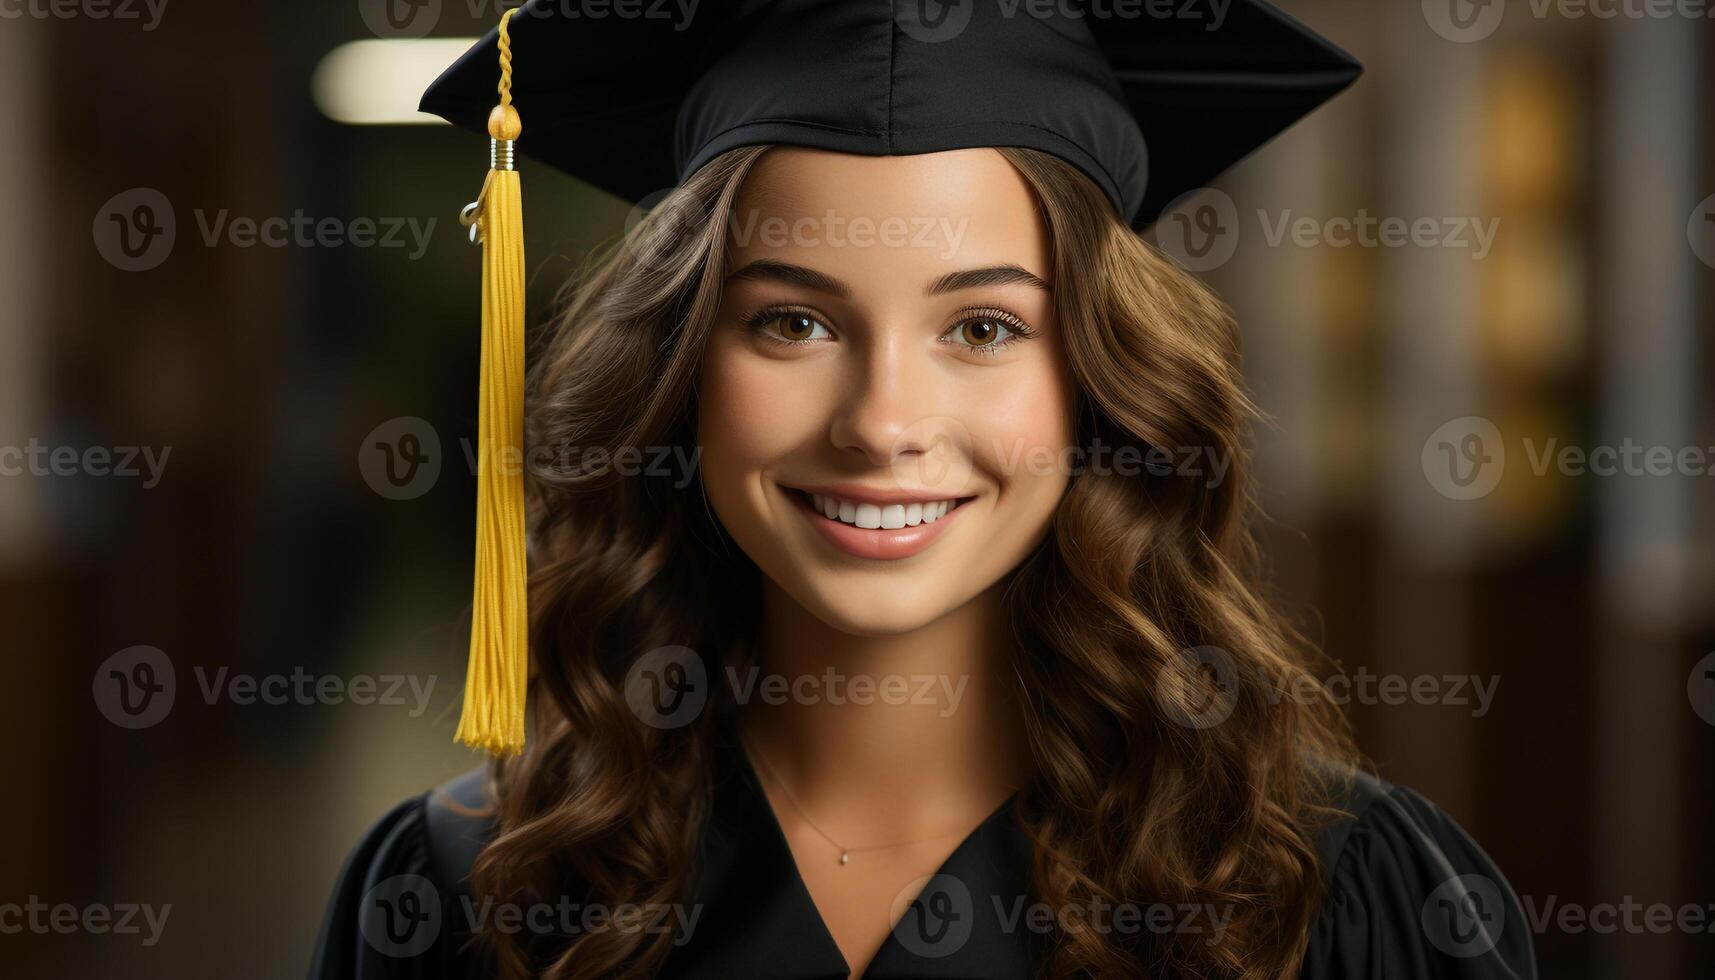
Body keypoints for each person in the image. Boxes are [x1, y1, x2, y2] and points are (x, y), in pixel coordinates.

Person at [312, 3, 1537, 978]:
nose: (883, 421)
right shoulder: (467, 895)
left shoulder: (1340, 899)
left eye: (985, 326)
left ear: (1100, 380)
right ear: (679, 373)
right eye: (790, 320)